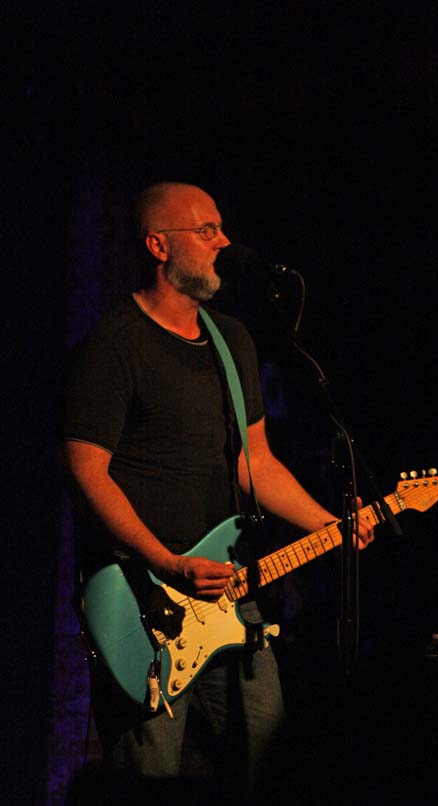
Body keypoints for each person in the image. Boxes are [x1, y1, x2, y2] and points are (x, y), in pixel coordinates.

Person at [63, 182, 375, 802]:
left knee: (267, 771)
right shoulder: (114, 345)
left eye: (222, 228)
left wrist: (326, 524)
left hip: (232, 596)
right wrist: (167, 561)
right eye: (206, 231)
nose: (224, 243)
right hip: (144, 600)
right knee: (144, 780)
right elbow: (86, 470)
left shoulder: (232, 340)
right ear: (158, 245)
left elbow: (253, 462)